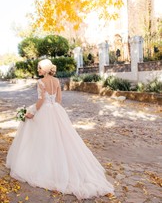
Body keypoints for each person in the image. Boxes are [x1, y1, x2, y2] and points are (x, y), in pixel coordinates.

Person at [6, 59, 114, 200]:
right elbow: (59, 100)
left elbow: (40, 101)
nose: (38, 70)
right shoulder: (57, 81)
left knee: (44, 139)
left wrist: (32, 113)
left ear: (45, 69)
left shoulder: (40, 82)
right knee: (61, 138)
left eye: (39, 68)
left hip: (44, 110)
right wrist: (52, 108)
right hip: (57, 110)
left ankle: (44, 168)